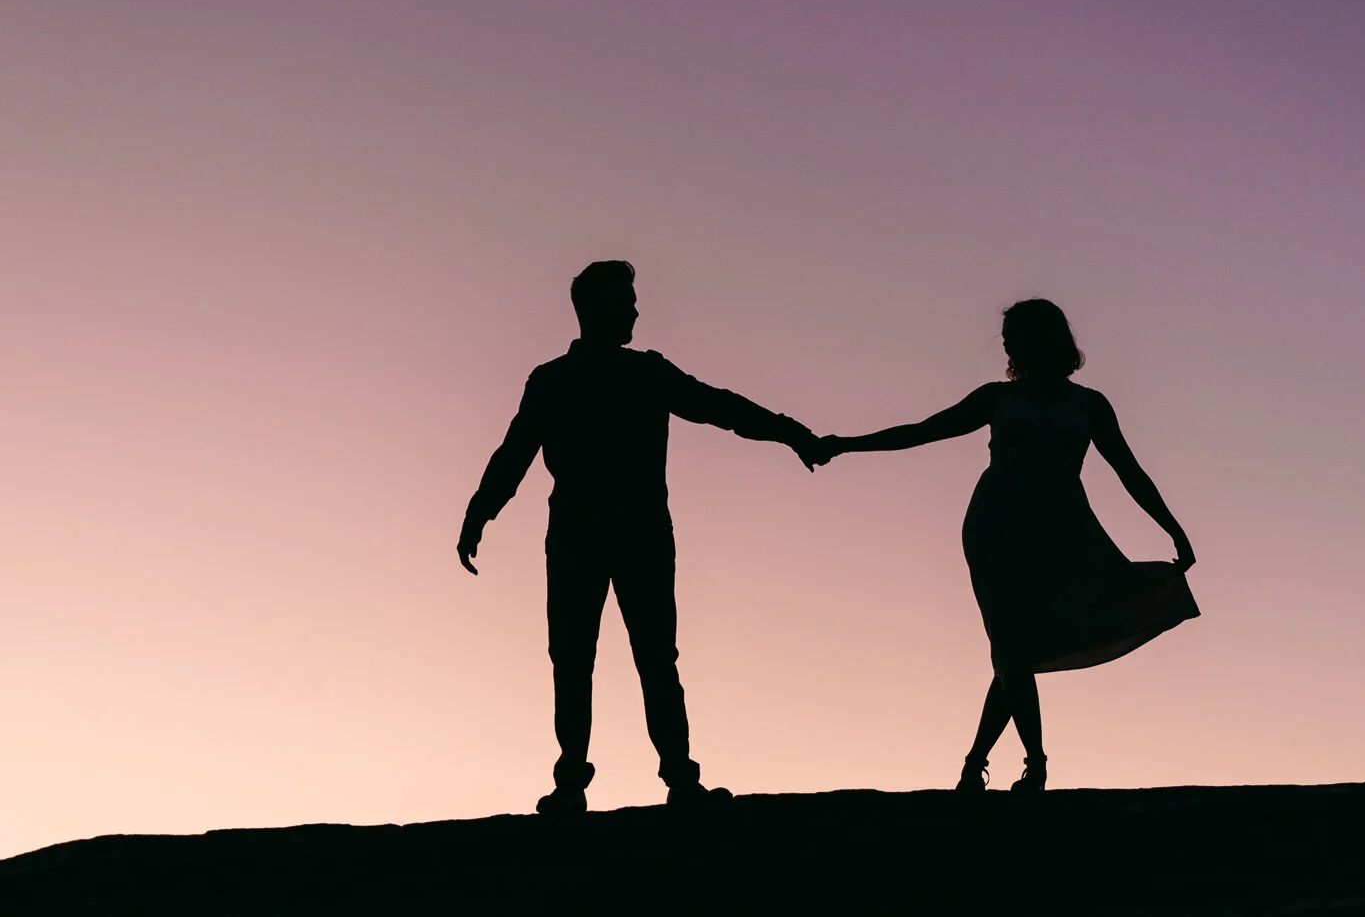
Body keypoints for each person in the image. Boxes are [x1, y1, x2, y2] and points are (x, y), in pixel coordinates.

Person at [457, 260, 822, 813]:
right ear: (593, 308)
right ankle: (582, 783)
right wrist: (481, 510)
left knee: (646, 656)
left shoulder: (637, 373)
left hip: (635, 534)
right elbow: (515, 453)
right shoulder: (558, 380)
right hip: (591, 535)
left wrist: (788, 431)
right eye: (624, 299)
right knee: (579, 659)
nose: (634, 309)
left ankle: (672, 777)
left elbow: (720, 407)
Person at [814, 299, 1199, 792]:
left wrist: (1173, 528)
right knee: (1012, 643)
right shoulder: (997, 398)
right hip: (996, 525)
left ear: (1045, 338)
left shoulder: (1090, 405)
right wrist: (845, 443)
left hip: (1059, 531)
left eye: (1015, 334)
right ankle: (1035, 764)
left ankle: (975, 764)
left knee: (1016, 645)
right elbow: (922, 432)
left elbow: (1129, 470)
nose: (1007, 344)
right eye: (1007, 337)